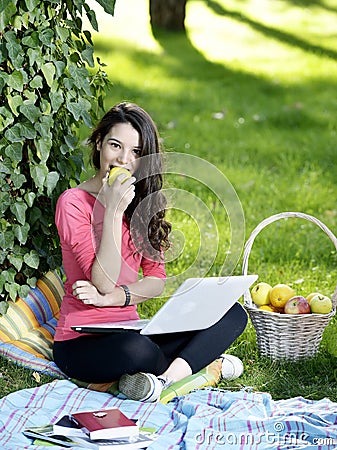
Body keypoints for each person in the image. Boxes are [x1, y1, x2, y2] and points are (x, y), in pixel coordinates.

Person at [53, 101, 248, 402]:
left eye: (136, 152)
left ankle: (165, 380)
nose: (123, 159)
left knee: (232, 313)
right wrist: (113, 210)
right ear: (98, 144)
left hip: (130, 328)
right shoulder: (73, 203)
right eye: (115, 145)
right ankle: (204, 366)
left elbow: (155, 280)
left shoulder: (144, 203)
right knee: (138, 351)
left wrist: (115, 299)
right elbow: (103, 279)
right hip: (81, 342)